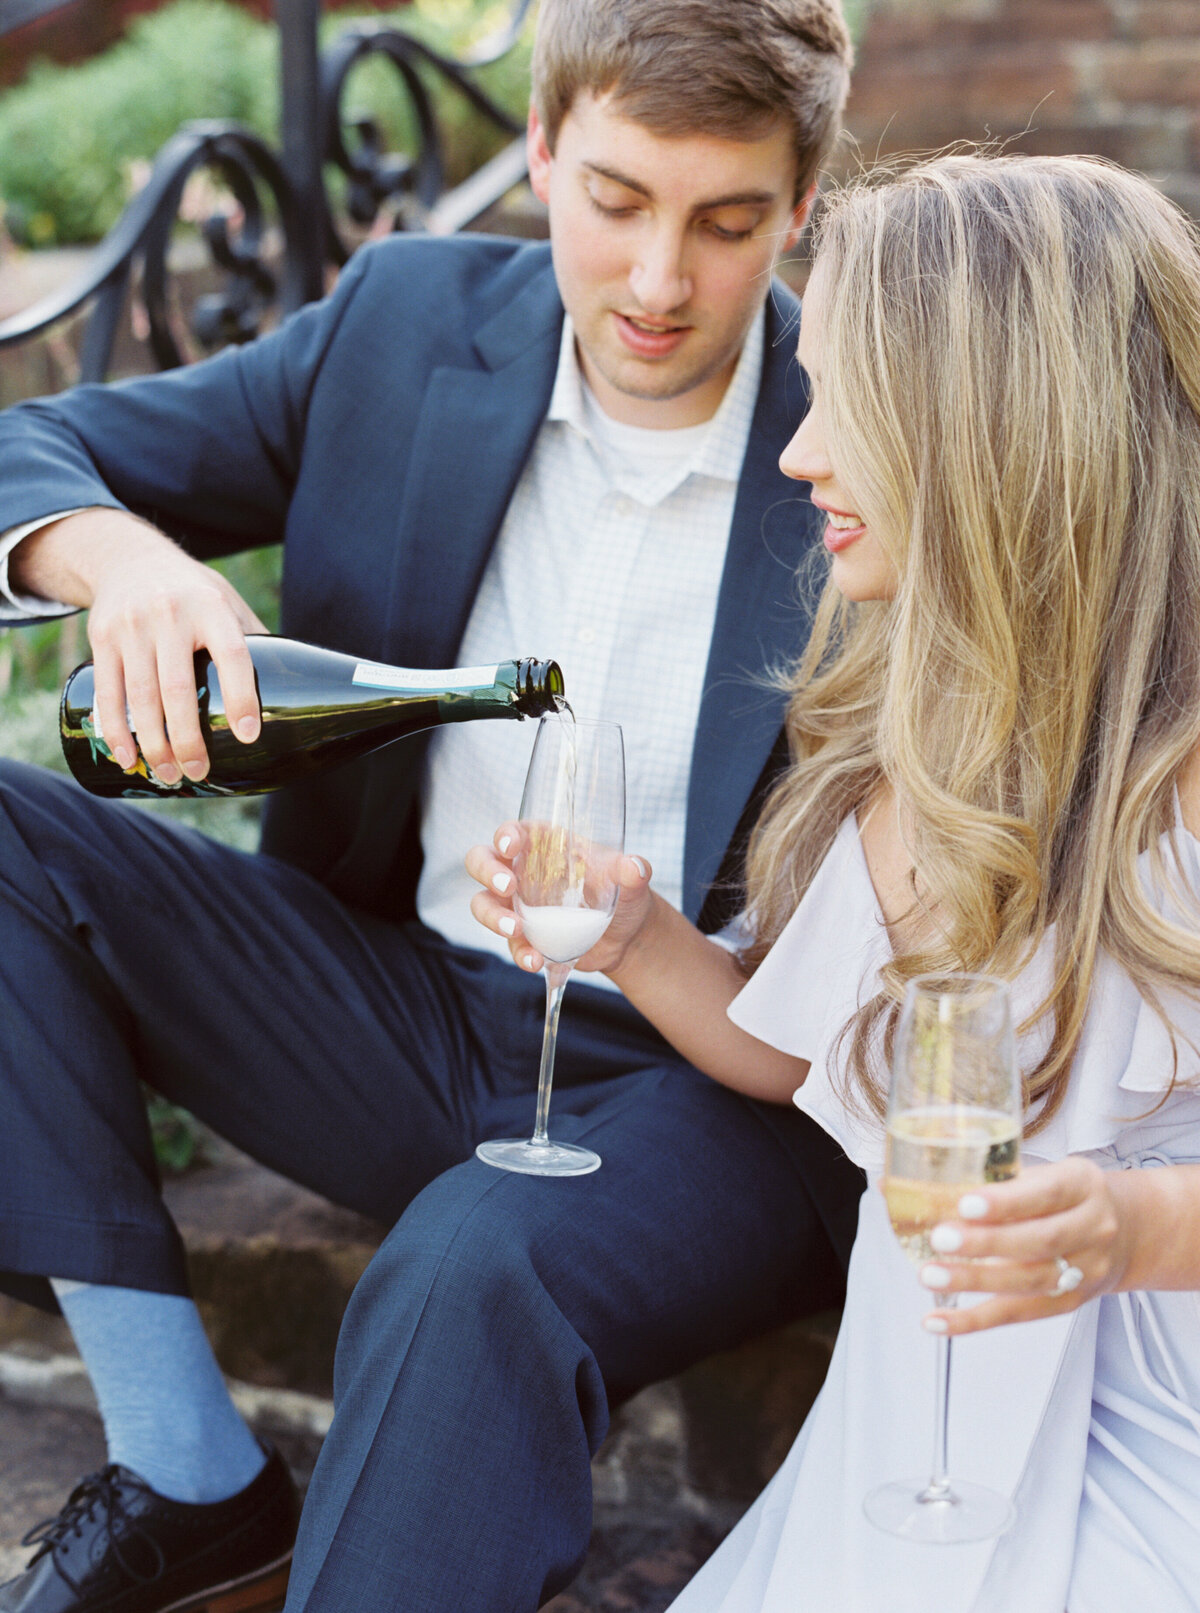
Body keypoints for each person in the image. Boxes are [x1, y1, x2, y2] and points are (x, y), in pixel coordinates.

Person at [0, 3, 863, 1611]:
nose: (661, 281)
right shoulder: (401, 324)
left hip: (721, 1078)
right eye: (614, 202)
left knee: (466, 1267)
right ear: (537, 151)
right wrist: (119, 558)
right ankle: (190, 1473)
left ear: (802, 205)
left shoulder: (876, 416)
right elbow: (25, 442)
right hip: (395, 1003)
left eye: (727, 221)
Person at [469, 151, 1200, 1612]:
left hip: (1148, 1442)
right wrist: (640, 935)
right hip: (903, 1420)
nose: (801, 454)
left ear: (986, 425)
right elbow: (806, 1054)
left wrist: (1132, 1231)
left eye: (845, 400)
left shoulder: (1179, 777)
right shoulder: (904, 741)